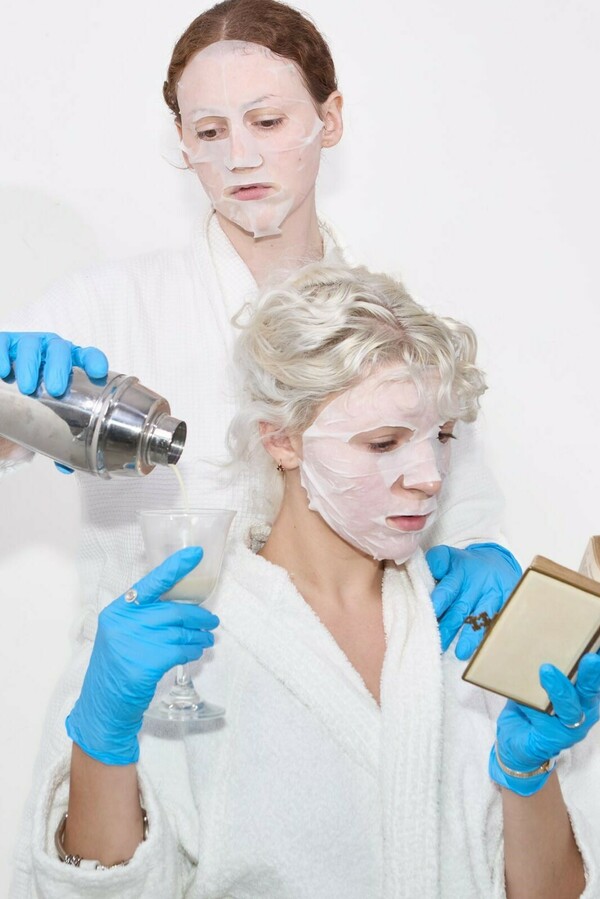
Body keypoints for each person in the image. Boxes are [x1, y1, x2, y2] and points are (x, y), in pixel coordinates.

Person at [13, 262, 600, 897]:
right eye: (383, 442)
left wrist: (527, 772)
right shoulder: (180, 637)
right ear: (282, 440)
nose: (430, 474)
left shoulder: (470, 626)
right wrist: (103, 738)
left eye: (443, 436)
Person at [0, 0, 520, 660]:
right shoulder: (106, 306)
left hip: (343, 697)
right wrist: (7, 408)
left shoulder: (390, 327)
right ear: (183, 143)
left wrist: (483, 557)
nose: (241, 156)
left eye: (267, 121)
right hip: (149, 709)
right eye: (210, 132)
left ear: (329, 119)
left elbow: (463, 508)